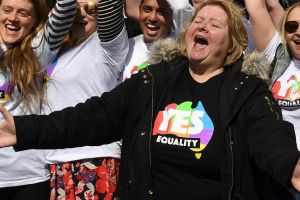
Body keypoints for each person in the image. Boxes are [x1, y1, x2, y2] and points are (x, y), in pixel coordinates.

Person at [1, 0, 300, 199]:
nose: (202, 26)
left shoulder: (247, 92)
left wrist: (291, 166)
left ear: (233, 43)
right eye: (198, 20)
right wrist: (23, 130)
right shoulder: (153, 81)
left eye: (215, 24)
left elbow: (270, 139)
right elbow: (92, 117)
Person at [44, 0, 128, 199]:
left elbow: (111, 6)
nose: (81, 14)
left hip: (93, 157)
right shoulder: (55, 49)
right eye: (75, 9)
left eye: (91, 8)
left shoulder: (107, 46)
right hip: (56, 162)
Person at [0, 0, 76, 199]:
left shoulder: (38, 50)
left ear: (35, 21)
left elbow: (66, 6)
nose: (13, 18)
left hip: (26, 178)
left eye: (23, 13)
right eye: (7, 10)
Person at [245, 0, 300, 151]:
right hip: (277, 164)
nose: (298, 32)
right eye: (291, 27)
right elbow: (256, 7)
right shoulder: (278, 55)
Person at [122, 0, 194, 80]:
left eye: (161, 12)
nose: (152, 18)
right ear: (140, 10)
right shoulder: (125, 48)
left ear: (172, 16)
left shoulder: (180, 43)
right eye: (147, 10)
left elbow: (182, 7)